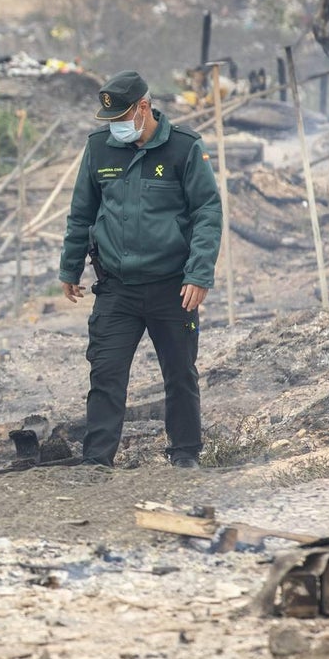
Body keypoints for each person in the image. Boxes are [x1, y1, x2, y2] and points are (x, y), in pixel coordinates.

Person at [59, 71, 223, 469]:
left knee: (181, 375)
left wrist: (199, 274)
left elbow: (207, 211)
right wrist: (70, 268)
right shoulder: (99, 149)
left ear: (144, 108)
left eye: (121, 119)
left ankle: (185, 456)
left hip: (172, 287)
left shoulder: (185, 148)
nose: (115, 128)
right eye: (110, 121)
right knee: (106, 375)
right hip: (117, 288)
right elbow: (81, 212)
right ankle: (96, 462)